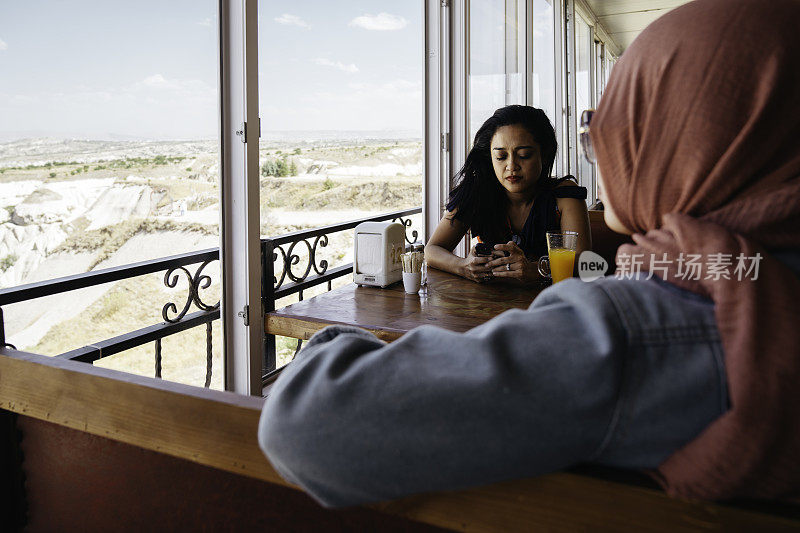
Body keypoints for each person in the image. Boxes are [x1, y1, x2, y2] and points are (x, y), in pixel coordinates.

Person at [258, 0, 800, 508]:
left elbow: (308, 424)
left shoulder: (636, 331)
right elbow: (437, 248)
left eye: (628, 130)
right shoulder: (756, 283)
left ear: (690, 145)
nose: (608, 155)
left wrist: (333, 342)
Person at [425, 105, 590, 284]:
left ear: (545, 154)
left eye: (524, 155)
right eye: (501, 156)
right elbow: (432, 250)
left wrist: (536, 269)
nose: (511, 166)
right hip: (486, 306)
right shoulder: (476, 192)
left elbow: (585, 263)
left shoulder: (564, 196)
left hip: (552, 303)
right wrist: (463, 266)